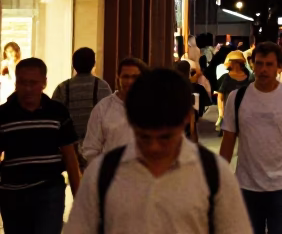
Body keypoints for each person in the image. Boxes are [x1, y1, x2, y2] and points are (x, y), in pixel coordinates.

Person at [63, 68, 254, 234]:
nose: (154, 147)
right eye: (144, 137)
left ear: (187, 119)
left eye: (165, 138)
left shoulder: (213, 174)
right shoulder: (102, 173)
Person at [219, 41, 282, 234]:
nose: (263, 69)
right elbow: (228, 141)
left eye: (269, 64)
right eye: (259, 63)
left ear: (279, 66)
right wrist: (220, 178)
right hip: (246, 185)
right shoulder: (237, 98)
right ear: (252, 64)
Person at [0, 57, 82, 233]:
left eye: (33, 83)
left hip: (49, 190)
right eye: (23, 82)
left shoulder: (57, 112)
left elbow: (70, 157)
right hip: (13, 193)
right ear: (16, 83)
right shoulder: (4, 114)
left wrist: (80, 198)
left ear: (44, 83)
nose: (28, 89)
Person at [52, 46, 113, 167]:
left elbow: (54, 118)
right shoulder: (102, 86)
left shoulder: (62, 88)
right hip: (96, 147)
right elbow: (110, 117)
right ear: (93, 64)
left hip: (70, 148)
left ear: (73, 64)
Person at [84, 57, 149, 162]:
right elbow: (91, 149)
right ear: (118, 77)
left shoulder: (154, 108)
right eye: (125, 77)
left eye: (135, 77)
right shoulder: (103, 108)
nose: (130, 81)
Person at [217, 49, 252, 133]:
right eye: (233, 62)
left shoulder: (248, 77)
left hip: (245, 113)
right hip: (229, 112)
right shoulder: (226, 78)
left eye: (236, 62)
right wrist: (221, 113)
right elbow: (220, 96)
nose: (234, 64)